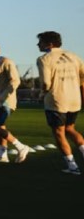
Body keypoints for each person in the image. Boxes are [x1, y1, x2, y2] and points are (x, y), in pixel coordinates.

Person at [36, 31, 84, 175]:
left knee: (59, 132)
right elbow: (83, 78)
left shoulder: (44, 59)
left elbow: (45, 82)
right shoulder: (74, 56)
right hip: (75, 99)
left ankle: (72, 166)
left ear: (49, 44)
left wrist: (42, 94)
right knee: (70, 128)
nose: (38, 44)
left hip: (57, 100)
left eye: (41, 42)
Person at [0, 41, 32, 163]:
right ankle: (2, 155)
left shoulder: (6, 62)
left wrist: (2, 98)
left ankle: (21, 146)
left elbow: (15, 81)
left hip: (4, 102)